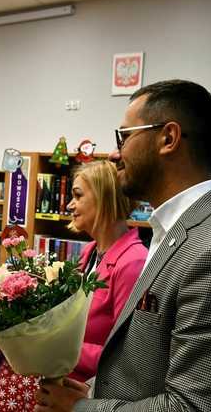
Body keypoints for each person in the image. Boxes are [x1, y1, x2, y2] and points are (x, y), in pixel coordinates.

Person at [36, 79, 211, 411]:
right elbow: (144, 366)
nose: (114, 153)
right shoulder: (175, 231)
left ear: (169, 138)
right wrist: (91, 392)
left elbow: (194, 406)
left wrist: (80, 408)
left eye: (124, 136)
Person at [66, 160, 147, 382]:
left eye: (78, 196)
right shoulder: (89, 252)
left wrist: (60, 347)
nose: (70, 205)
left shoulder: (133, 263)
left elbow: (126, 354)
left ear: (104, 197)